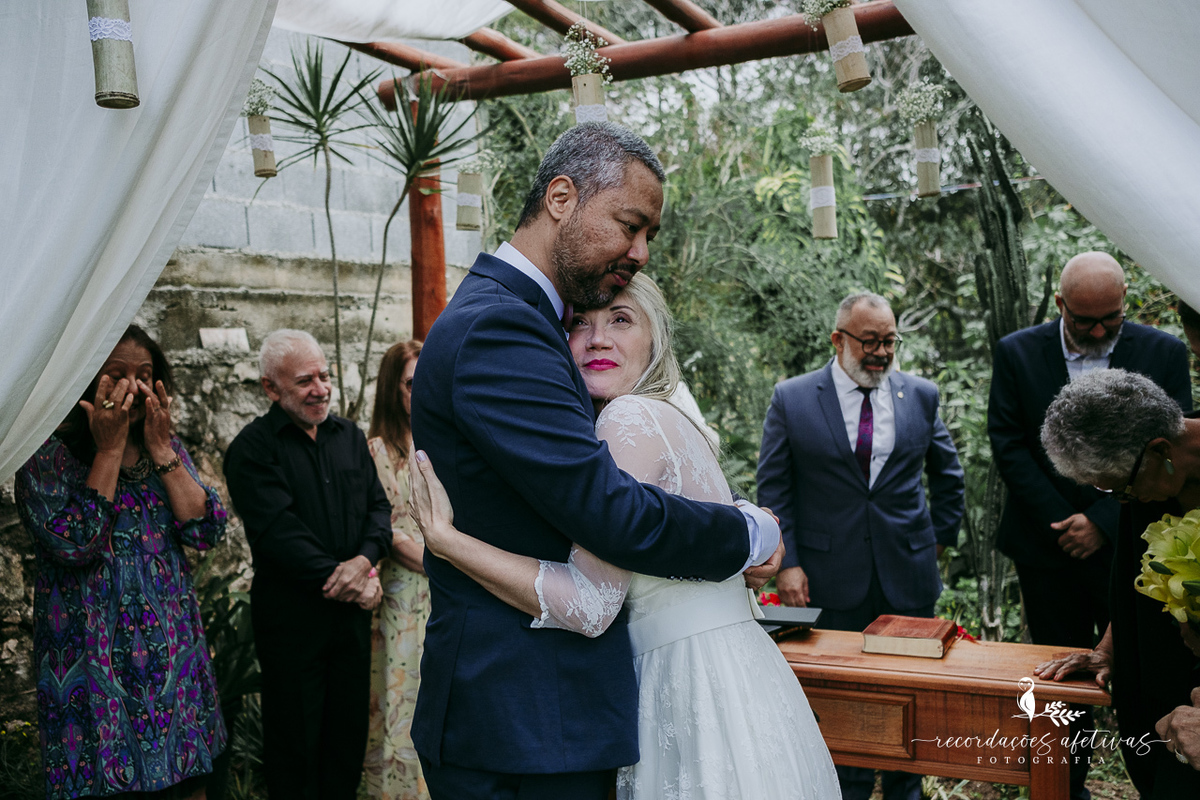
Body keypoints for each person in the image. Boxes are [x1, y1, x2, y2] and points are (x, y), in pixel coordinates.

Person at [409, 122, 782, 800]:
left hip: (545, 722)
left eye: (650, 237)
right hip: (524, 725)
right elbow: (608, 512)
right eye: (629, 225)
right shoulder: (502, 326)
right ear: (560, 198)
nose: (640, 253)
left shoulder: (527, 320)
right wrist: (748, 531)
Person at [408, 274, 840, 799]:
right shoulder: (667, 418)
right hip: (736, 674)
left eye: (620, 320)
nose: (597, 340)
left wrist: (447, 540)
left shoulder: (627, 419)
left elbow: (592, 605)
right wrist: (758, 527)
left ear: (655, 339)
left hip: (690, 681)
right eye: (579, 324)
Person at [988, 252, 1191, 799]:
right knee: (1062, 674)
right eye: (1085, 320)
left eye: (1112, 319)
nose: (1099, 330)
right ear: (1060, 306)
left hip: (1133, 540)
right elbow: (1007, 442)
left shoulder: (1164, 353)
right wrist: (1065, 520)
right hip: (1046, 544)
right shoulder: (1017, 352)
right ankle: (1060, 783)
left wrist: (1103, 518)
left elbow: (1173, 449)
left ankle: (1152, 768)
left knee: (1146, 677)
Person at [756, 290, 964, 800]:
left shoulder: (920, 395)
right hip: (830, 578)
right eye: (870, 341)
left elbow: (949, 475)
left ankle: (905, 792)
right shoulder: (794, 397)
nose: (882, 352)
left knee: (911, 698)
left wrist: (936, 541)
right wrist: (790, 564)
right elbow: (775, 489)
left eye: (890, 341)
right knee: (844, 702)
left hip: (909, 578)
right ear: (838, 339)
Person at [15, 325, 227, 800]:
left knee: (188, 787)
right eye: (116, 374)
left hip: (173, 675)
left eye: (145, 376)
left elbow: (206, 529)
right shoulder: (46, 455)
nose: (134, 388)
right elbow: (77, 543)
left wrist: (162, 450)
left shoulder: (164, 451)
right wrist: (109, 450)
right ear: (85, 378)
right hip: (92, 676)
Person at [223, 329, 391, 799]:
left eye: (324, 375)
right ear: (270, 389)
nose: (320, 388)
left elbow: (378, 511)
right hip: (293, 623)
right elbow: (279, 532)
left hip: (350, 627)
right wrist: (354, 582)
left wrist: (365, 561)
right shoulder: (252, 450)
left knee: (346, 743)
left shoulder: (350, 437)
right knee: (295, 748)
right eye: (304, 381)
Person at [1036, 368, 1200, 797]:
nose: (1124, 502)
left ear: (1161, 449)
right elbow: (1138, 582)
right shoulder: (1147, 478)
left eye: (1122, 492)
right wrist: (1108, 648)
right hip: (1156, 678)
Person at [363, 339, 429, 800]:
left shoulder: (442, 440)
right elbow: (386, 529)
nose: (420, 389)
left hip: (449, 588)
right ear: (393, 388)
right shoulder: (377, 451)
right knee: (401, 696)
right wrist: (449, 564)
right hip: (405, 593)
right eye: (410, 382)